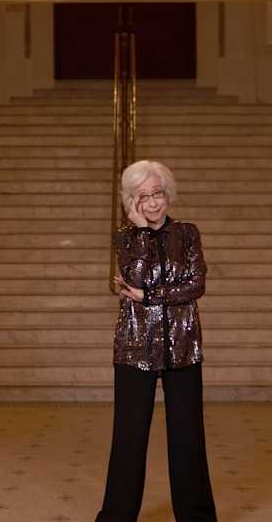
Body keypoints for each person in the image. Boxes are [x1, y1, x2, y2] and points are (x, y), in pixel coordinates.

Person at [95, 160, 218, 522]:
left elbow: (196, 285)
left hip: (183, 345)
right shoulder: (126, 237)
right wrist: (140, 232)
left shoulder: (189, 234)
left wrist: (149, 296)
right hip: (135, 347)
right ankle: (117, 516)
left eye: (157, 193)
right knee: (129, 439)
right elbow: (134, 276)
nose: (152, 203)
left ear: (168, 193)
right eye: (142, 196)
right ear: (131, 201)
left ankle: (196, 516)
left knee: (188, 438)